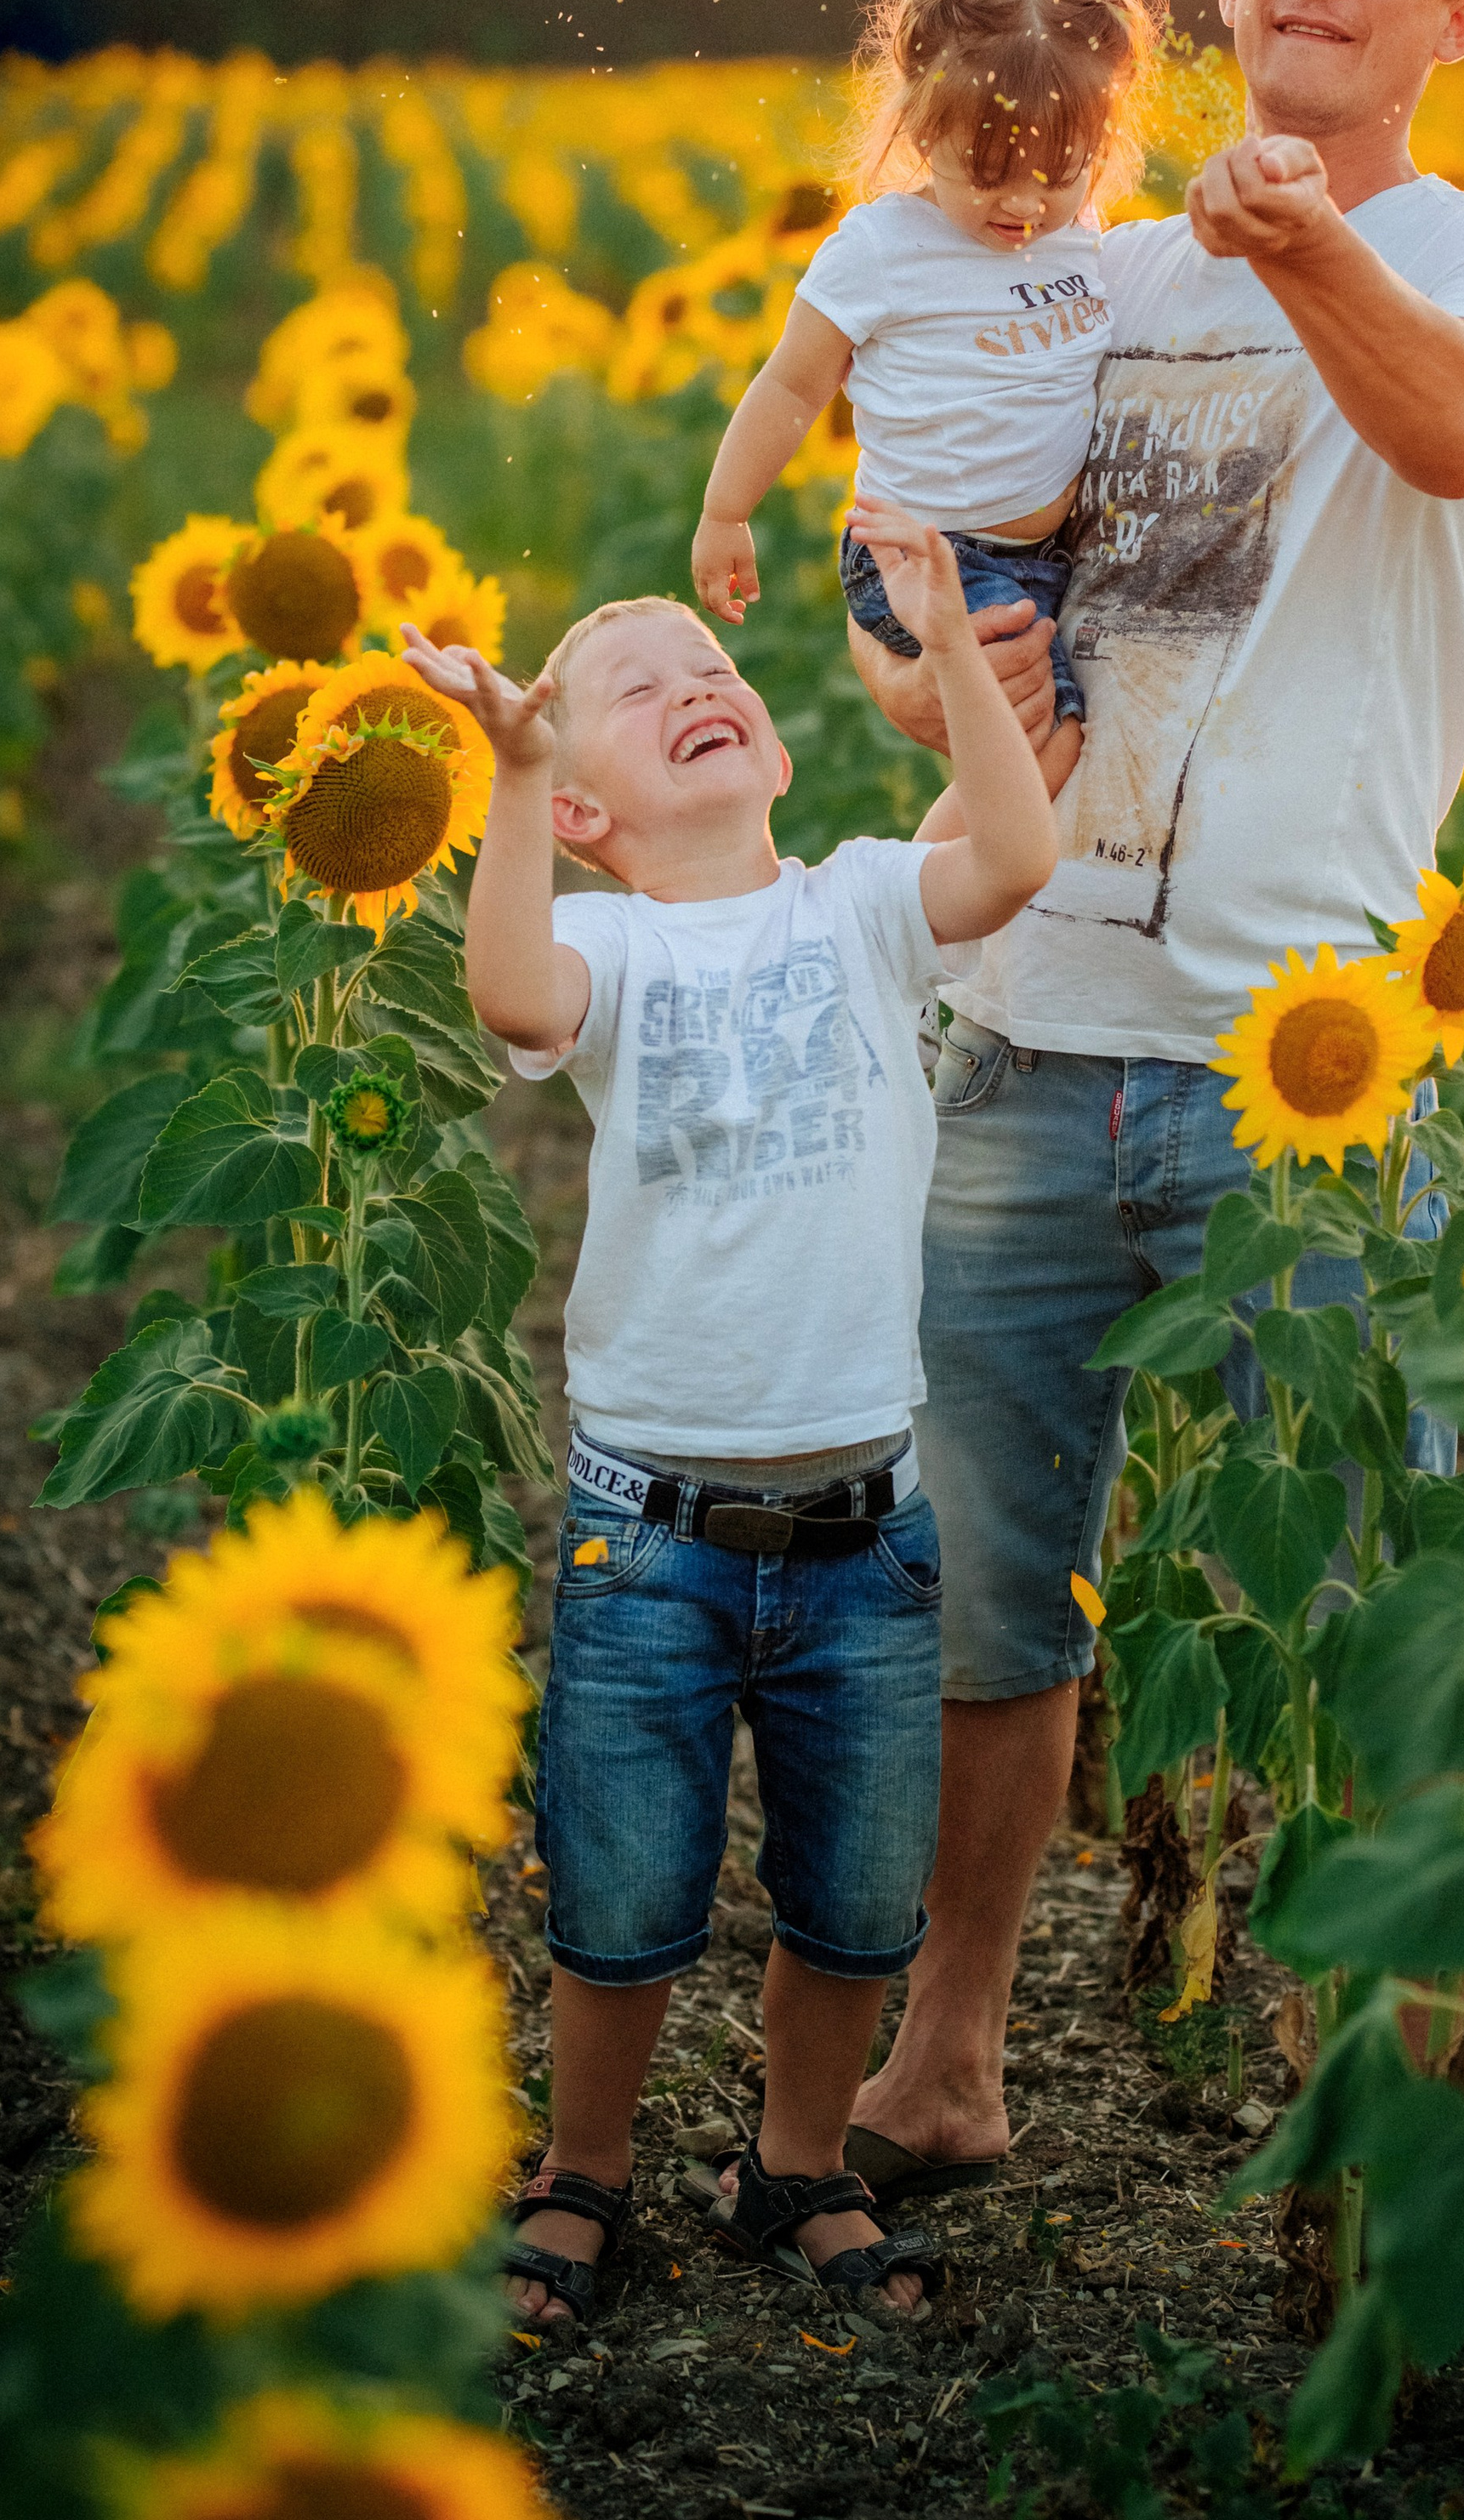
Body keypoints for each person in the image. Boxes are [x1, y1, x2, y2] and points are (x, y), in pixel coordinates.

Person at [834, 0, 1464, 2209]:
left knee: (1373, 1603)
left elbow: (1461, 430)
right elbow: (925, 612)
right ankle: (949, 2052)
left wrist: (1307, 248)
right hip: (1040, 1020)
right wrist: (947, 669)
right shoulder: (1085, 273)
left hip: (1307, 1059)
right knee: (977, 1580)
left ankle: (1408, 2120)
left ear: (1454, 20)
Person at [398, 508, 1055, 2322]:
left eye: (714, 669)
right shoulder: (611, 949)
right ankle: (583, 2169)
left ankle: (796, 2167)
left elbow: (1010, 850)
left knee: (851, 1905)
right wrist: (516, 774)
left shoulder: (856, 902)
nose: (696, 681)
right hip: (651, 1531)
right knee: (617, 1899)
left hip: (864, 1530)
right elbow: (509, 985)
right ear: (594, 809)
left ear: (765, 739)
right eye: (636, 686)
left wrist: (940, 650)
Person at [691, 0, 1167, 804]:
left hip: (1047, 561)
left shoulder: (1081, 233)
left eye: (1057, 172)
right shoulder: (882, 248)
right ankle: (912, 906)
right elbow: (794, 383)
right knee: (1044, 749)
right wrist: (727, 511)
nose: (1024, 204)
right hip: (925, 556)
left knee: (1043, 750)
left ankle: (940, 900)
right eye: (988, 173)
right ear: (918, 125)